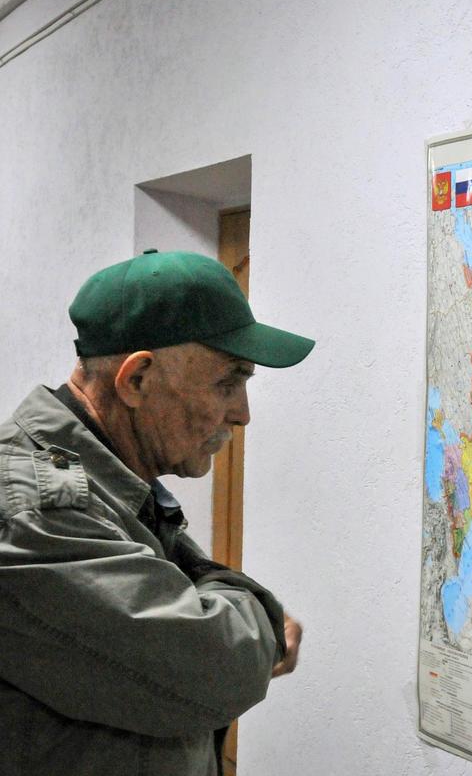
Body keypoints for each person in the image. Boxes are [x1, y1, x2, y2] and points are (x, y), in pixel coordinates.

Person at [0, 249, 315, 776]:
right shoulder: (31, 506)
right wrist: (261, 616)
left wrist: (224, 602)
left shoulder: (103, 483)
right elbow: (214, 665)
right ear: (136, 380)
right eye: (228, 382)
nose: (242, 413)